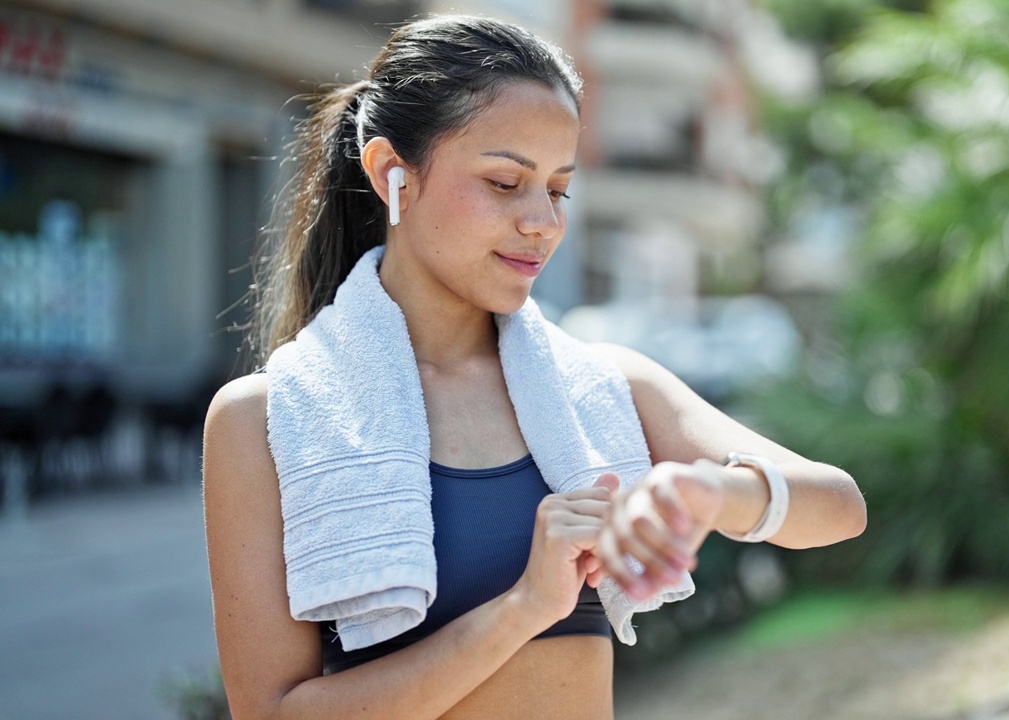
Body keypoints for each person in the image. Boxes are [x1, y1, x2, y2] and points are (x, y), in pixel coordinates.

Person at [202, 14, 866, 720]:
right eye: (504, 182)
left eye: (558, 188)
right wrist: (524, 607)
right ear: (393, 174)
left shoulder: (601, 387)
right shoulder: (265, 418)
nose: (543, 221)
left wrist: (709, 492)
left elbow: (839, 507)